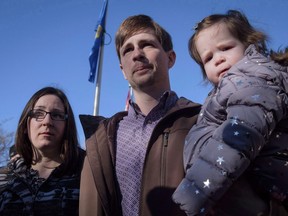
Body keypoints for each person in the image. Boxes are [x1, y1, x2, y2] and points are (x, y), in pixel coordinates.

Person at [78, 14, 201, 216]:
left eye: (146, 44)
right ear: (122, 70)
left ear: (170, 58)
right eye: (128, 49)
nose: (137, 54)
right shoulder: (103, 138)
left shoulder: (202, 119)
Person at [172, 10, 288, 215]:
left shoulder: (252, 79)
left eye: (225, 48)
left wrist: (194, 192)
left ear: (249, 44)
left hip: (265, 194)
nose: (218, 59)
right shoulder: (227, 88)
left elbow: (240, 135)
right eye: (208, 58)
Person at [0, 86, 85, 216]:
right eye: (38, 113)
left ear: (67, 126)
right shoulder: (4, 178)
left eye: (56, 115)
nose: (47, 122)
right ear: (25, 124)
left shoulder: (86, 174)